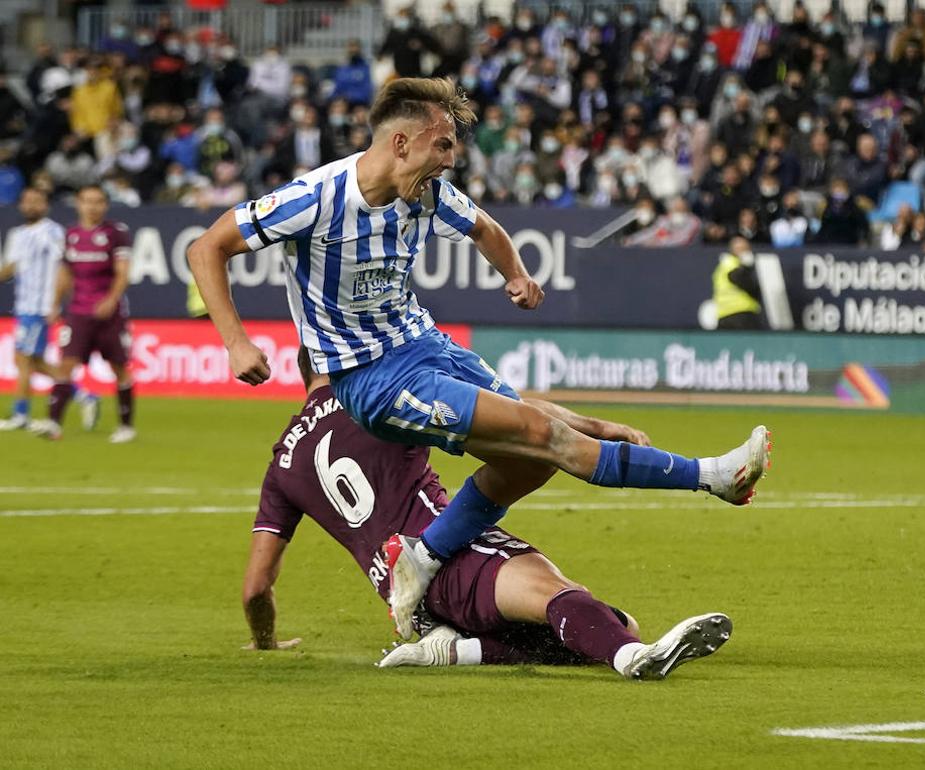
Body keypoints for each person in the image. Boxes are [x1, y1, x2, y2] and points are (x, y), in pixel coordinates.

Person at [188, 78, 772, 641]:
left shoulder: (430, 194)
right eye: (443, 144)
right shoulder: (314, 198)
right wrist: (236, 341)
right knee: (544, 436)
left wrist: (515, 274)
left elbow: (486, 228)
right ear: (402, 142)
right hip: (372, 377)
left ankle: (423, 557)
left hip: (427, 345)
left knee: (531, 458)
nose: (450, 159)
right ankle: (712, 477)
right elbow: (206, 247)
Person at [243, 348, 732, 679]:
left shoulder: (281, 462)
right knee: (563, 600)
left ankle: (457, 649)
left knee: (608, 620)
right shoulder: (375, 401)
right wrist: (595, 426)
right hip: (453, 549)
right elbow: (516, 417)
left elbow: (255, 588)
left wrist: (265, 642)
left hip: (403, 594)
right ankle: (634, 660)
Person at [29, 185, 133, 442]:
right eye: (87, 201)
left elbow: (123, 272)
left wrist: (111, 299)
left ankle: (126, 426)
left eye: (98, 201)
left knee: (118, 367)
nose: (92, 206)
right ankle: (53, 423)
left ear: (105, 205)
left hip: (109, 314)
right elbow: (65, 273)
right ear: (78, 203)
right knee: (66, 364)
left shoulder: (115, 233)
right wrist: (54, 304)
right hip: (78, 312)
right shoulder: (71, 234)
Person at [0, 188, 98, 431]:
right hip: (23, 304)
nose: (31, 205)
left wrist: (59, 302)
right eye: (27, 201)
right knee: (33, 361)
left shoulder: (52, 232)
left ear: (45, 205)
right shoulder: (18, 234)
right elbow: (10, 268)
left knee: (23, 359)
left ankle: (20, 415)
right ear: (21, 205)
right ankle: (84, 396)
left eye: (37, 201)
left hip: (39, 306)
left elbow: (67, 266)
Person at [712, 236, 764, 329]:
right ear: (733, 250)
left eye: (746, 249)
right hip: (741, 313)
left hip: (724, 314)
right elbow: (737, 277)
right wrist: (746, 266)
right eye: (741, 249)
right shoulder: (731, 263)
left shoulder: (724, 265)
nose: (745, 252)